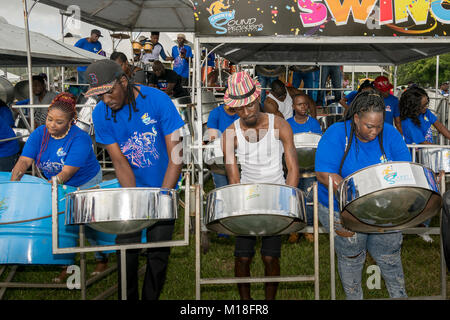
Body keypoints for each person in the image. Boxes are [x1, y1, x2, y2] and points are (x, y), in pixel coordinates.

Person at [85, 59, 184, 300]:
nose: (107, 100)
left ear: (123, 80)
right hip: (132, 188)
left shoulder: (158, 100)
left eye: (109, 92)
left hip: (165, 183)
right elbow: (119, 161)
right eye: (100, 97)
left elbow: (177, 155)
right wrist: (134, 200)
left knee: (158, 253)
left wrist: (163, 197)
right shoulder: (101, 114)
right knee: (125, 248)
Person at [315, 89, 411, 300]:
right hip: (340, 205)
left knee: (389, 254)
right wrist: (352, 197)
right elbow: (323, 174)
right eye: (369, 126)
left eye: (378, 126)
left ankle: (399, 295)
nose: (374, 131)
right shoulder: (337, 133)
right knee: (352, 254)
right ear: (356, 117)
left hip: (383, 206)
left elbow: (405, 168)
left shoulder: (390, 133)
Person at [9, 92, 109, 279]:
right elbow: (23, 162)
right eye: (49, 119)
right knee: (62, 224)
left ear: (72, 121)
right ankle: (66, 264)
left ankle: (101, 258)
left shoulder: (80, 139)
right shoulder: (40, 134)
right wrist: (14, 186)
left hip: (84, 181)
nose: (52, 125)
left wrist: (46, 191)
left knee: (88, 221)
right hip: (55, 183)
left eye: (59, 122)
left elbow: (66, 174)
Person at [222, 71, 299, 300]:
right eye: (240, 109)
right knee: (242, 258)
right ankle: (246, 303)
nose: (247, 112)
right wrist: (239, 208)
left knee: (270, 258)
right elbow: (233, 178)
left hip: (275, 199)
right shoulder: (229, 134)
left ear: (258, 98)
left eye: (250, 106)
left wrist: (287, 201)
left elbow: (293, 168)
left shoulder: (281, 126)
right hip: (245, 199)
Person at [399, 86, 450, 242]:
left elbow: (440, 126)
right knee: (425, 193)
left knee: (433, 191)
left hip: (430, 157)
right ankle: (415, 224)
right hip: (417, 159)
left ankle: (419, 222)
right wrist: (443, 147)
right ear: (413, 106)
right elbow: (423, 142)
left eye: (427, 103)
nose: (426, 107)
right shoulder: (407, 121)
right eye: (423, 105)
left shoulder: (426, 113)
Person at [286, 93, 322, 244]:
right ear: (293, 107)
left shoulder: (314, 123)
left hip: (309, 167)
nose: (303, 107)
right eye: (300, 104)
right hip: (292, 168)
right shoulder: (287, 123)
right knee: (293, 197)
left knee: (309, 199)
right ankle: (294, 229)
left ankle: (307, 229)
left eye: (306, 104)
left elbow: (317, 146)